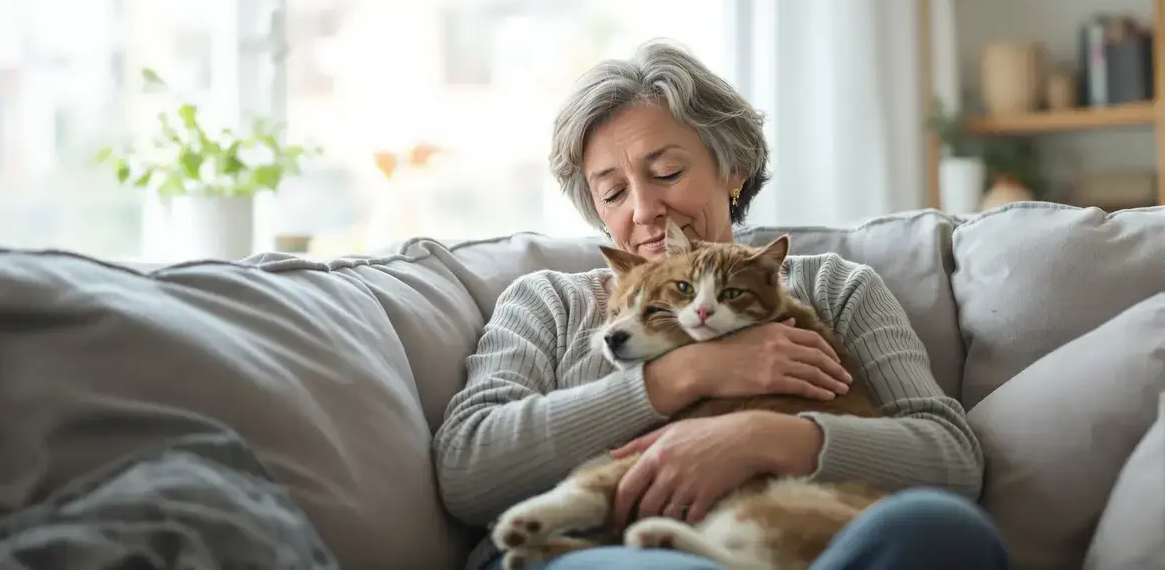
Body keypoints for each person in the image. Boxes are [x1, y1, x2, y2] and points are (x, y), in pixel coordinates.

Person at [432, 40, 1009, 570]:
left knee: (945, 530)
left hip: (799, 544)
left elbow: (952, 462)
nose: (645, 208)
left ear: (730, 170)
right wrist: (681, 376)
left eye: (667, 172)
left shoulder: (835, 289)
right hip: (601, 555)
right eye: (612, 192)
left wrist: (760, 438)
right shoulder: (548, 303)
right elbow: (467, 469)